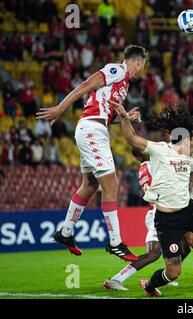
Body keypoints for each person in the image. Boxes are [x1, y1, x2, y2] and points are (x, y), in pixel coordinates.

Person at [109, 99, 193, 297]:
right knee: (173, 272)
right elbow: (132, 139)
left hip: (188, 210)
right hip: (168, 221)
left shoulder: (188, 151)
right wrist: (124, 118)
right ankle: (149, 286)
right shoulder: (158, 149)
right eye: (190, 136)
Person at [36, 45, 147, 262]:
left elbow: (106, 115)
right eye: (142, 65)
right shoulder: (117, 70)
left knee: (90, 185)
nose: (141, 71)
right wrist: (61, 108)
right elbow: (86, 85)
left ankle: (65, 232)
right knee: (111, 186)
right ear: (138, 62)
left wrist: (125, 117)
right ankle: (115, 242)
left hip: (95, 128)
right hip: (92, 130)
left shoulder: (122, 85)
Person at [103, 151, 193, 291]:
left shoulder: (144, 168)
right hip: (161, 213)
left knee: (188, 243)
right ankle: (117, 279)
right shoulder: (155, 165)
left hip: (166, 212)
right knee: (154, 253)